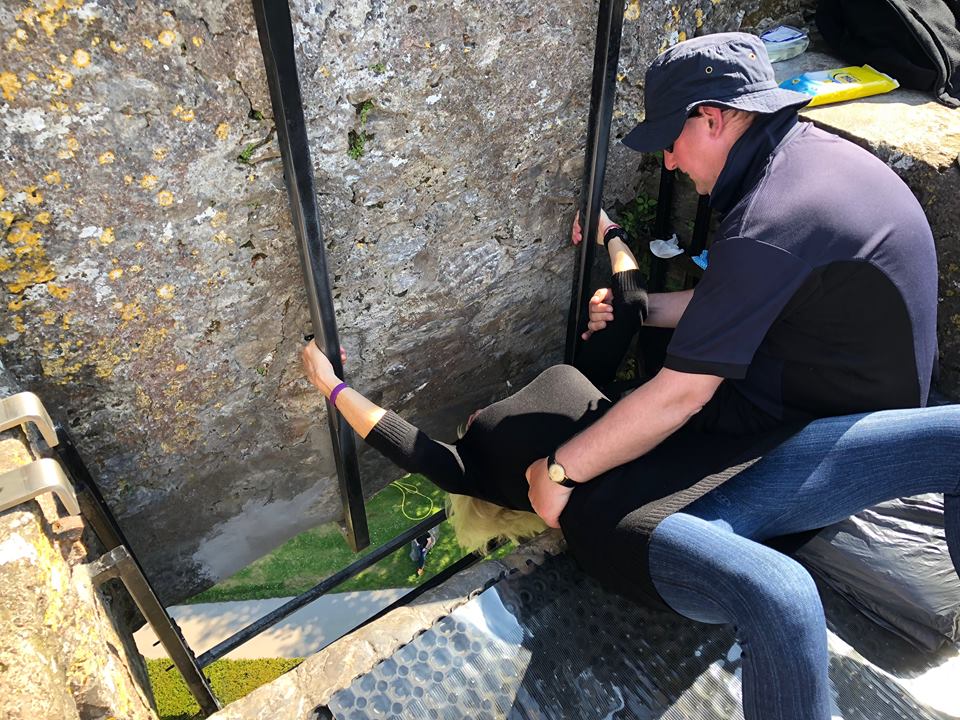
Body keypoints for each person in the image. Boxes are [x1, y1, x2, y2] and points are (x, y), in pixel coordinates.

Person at [303, 199, 958, 720]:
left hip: (711, 467)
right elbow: (404, 443)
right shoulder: (477, 469)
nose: (469, 415)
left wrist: (609, 233)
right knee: (785, 600)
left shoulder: (581, 385)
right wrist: (330, 386)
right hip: (638, 527)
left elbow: (627, 306)